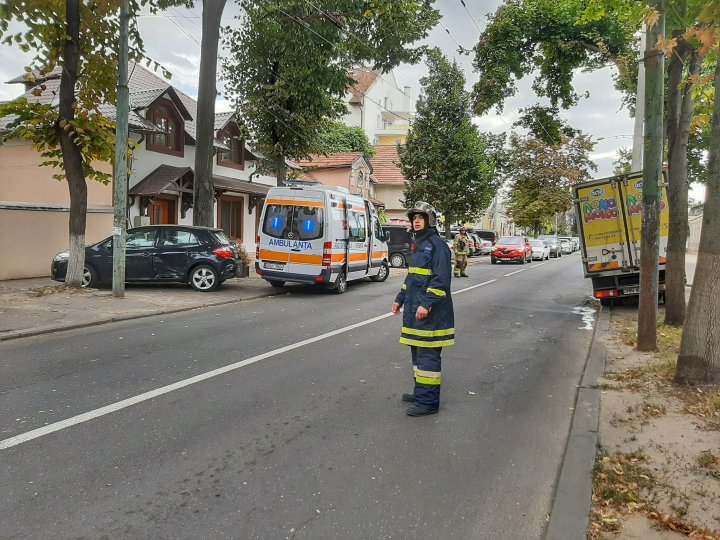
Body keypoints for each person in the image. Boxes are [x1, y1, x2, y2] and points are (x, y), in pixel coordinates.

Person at [391, 201, 455, 416]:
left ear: (430, 220)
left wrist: (426, 304)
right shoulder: (420, 245)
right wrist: (400, 298)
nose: (416, 221)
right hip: (415, 310)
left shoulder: (437, 246)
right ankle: (421, 393)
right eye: (414, 218)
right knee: (418, 355)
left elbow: (441, 281)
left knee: (427, 357)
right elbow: (412, 277)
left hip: (431, 314)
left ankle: (427, 403)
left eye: (420, 217)